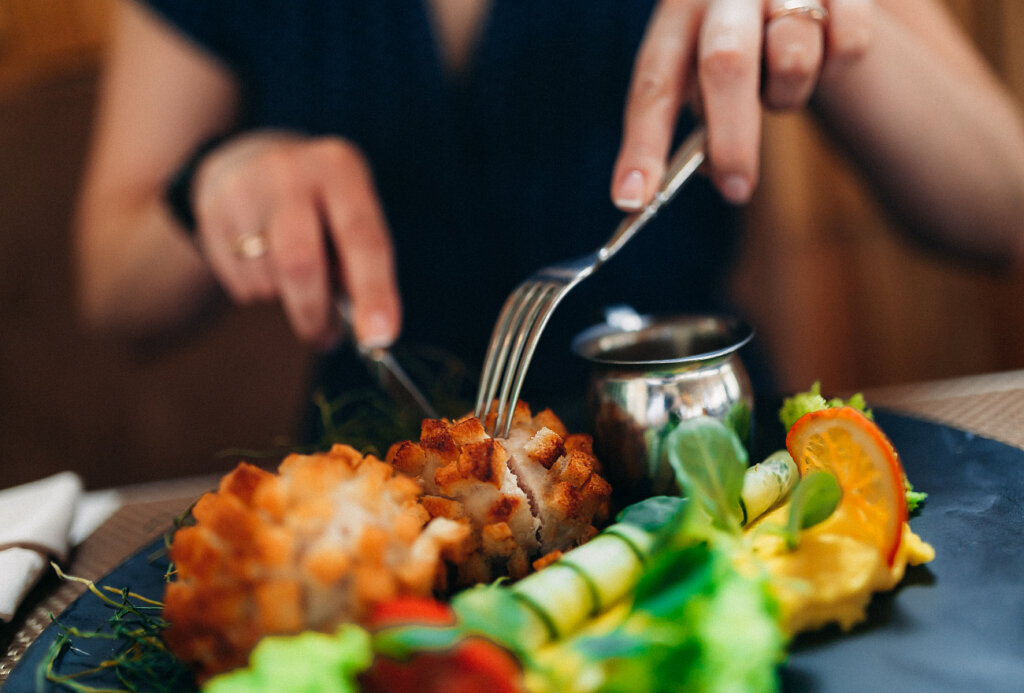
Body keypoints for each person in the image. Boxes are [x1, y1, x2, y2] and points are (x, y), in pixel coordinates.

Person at [74, 0, 1024, 433]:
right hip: (369, 480)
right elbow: (113, 290)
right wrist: (212, 184)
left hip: (697, 455)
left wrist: (835, 18)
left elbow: (1002, 209)